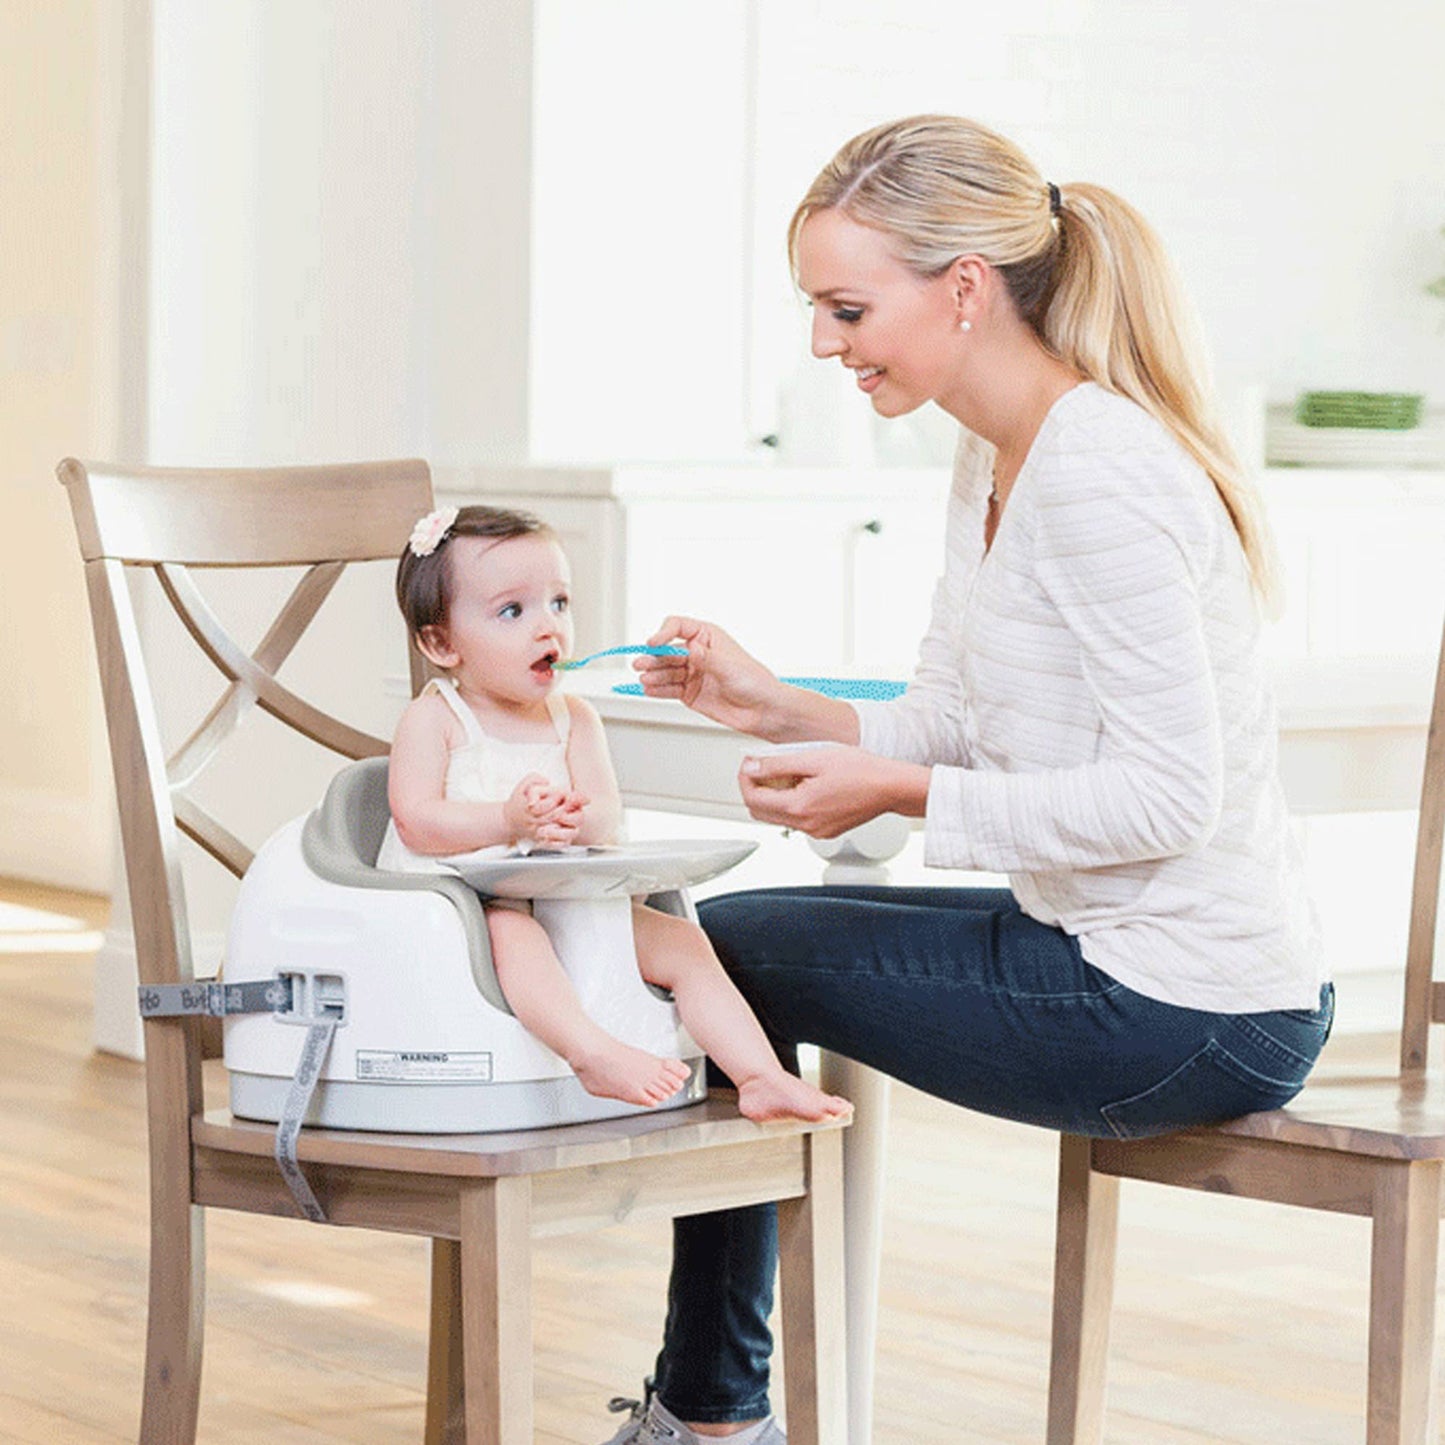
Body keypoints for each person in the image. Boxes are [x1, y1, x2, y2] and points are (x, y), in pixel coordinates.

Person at [598, 114, 1330, 1445]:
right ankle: (710, 1409)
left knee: (726, 957)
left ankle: (707, 1419)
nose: (824, 344)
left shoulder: (1099, 471)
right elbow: (950, 713)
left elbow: (1172, 797)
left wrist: (897, 798)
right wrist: (767, 701)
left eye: (845, 307)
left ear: (962, 287)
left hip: (1190, 1006)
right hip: (1099, 947)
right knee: (716, 944)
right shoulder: (992, 446)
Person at [378, 502, 852, 1123]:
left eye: (559, 603)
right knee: (512, 933)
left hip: (560, 893)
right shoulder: (435, 717)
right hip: (466, 908)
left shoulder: (575, 719)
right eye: (513, 611)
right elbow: (417, 820)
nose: (548, 628)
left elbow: (606, 818)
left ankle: (759, 1075)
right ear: (441, 643)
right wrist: (508, 822)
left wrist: (581, 822)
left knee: (681, 941)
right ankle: (591, 1051)